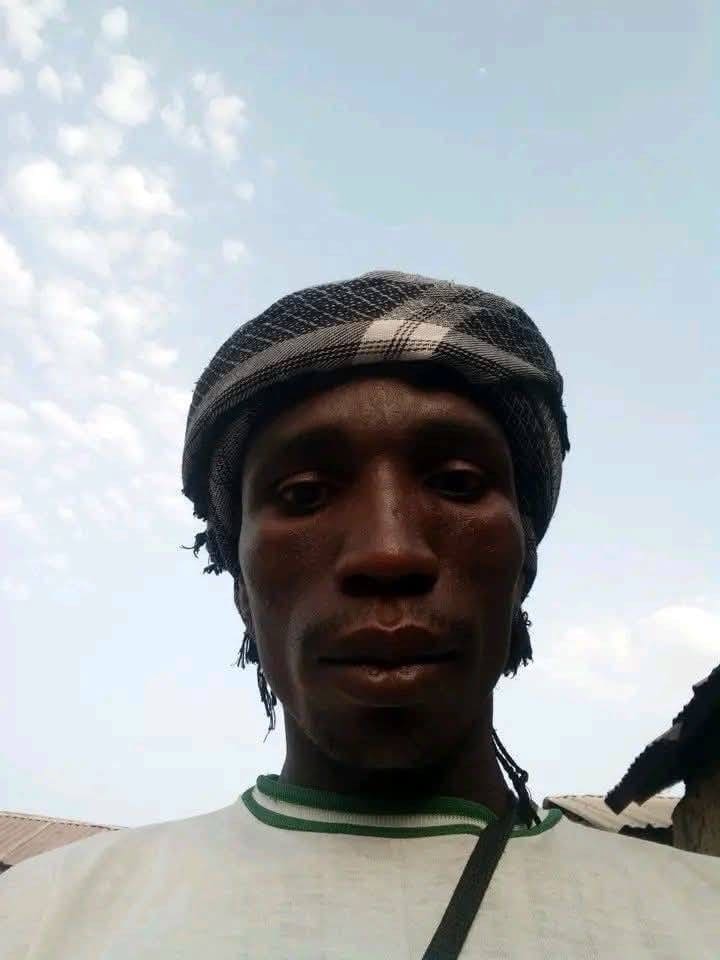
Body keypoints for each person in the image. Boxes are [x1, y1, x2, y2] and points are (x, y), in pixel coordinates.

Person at [1, 270, 717, 958]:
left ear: (522, 563)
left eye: (457, 482)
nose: (388, 551)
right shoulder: (38, 919)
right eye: (304, 494)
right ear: (242, 587)